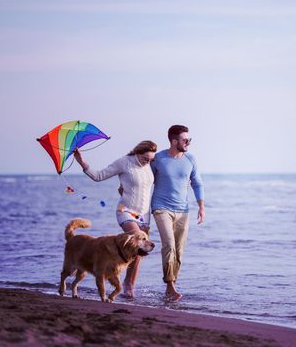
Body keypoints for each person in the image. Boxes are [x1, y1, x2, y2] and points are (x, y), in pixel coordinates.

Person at [73, 140, 157, 299]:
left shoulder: (148, 165)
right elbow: (99, 176)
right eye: (146, 159)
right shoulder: (124, 163)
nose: (148, 162)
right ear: (137, 152)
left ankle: (128, 282)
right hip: (125, 211)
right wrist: (81, 161)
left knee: (139, 250)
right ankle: (122, 283)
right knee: (136, 242)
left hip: (144, 214)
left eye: (151, 160)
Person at [151, 125, 205, 301]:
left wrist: (201, 206)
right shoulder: (158, 159)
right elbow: (145, 180)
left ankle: (171, 284)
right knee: (169, 245)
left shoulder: (190, 159)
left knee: (179, 251)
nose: (188, 142)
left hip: (183, 210)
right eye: (185, 140)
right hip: (161, 208)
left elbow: (197, 183)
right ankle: (170, 285)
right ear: (174, 141)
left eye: (189, 139)